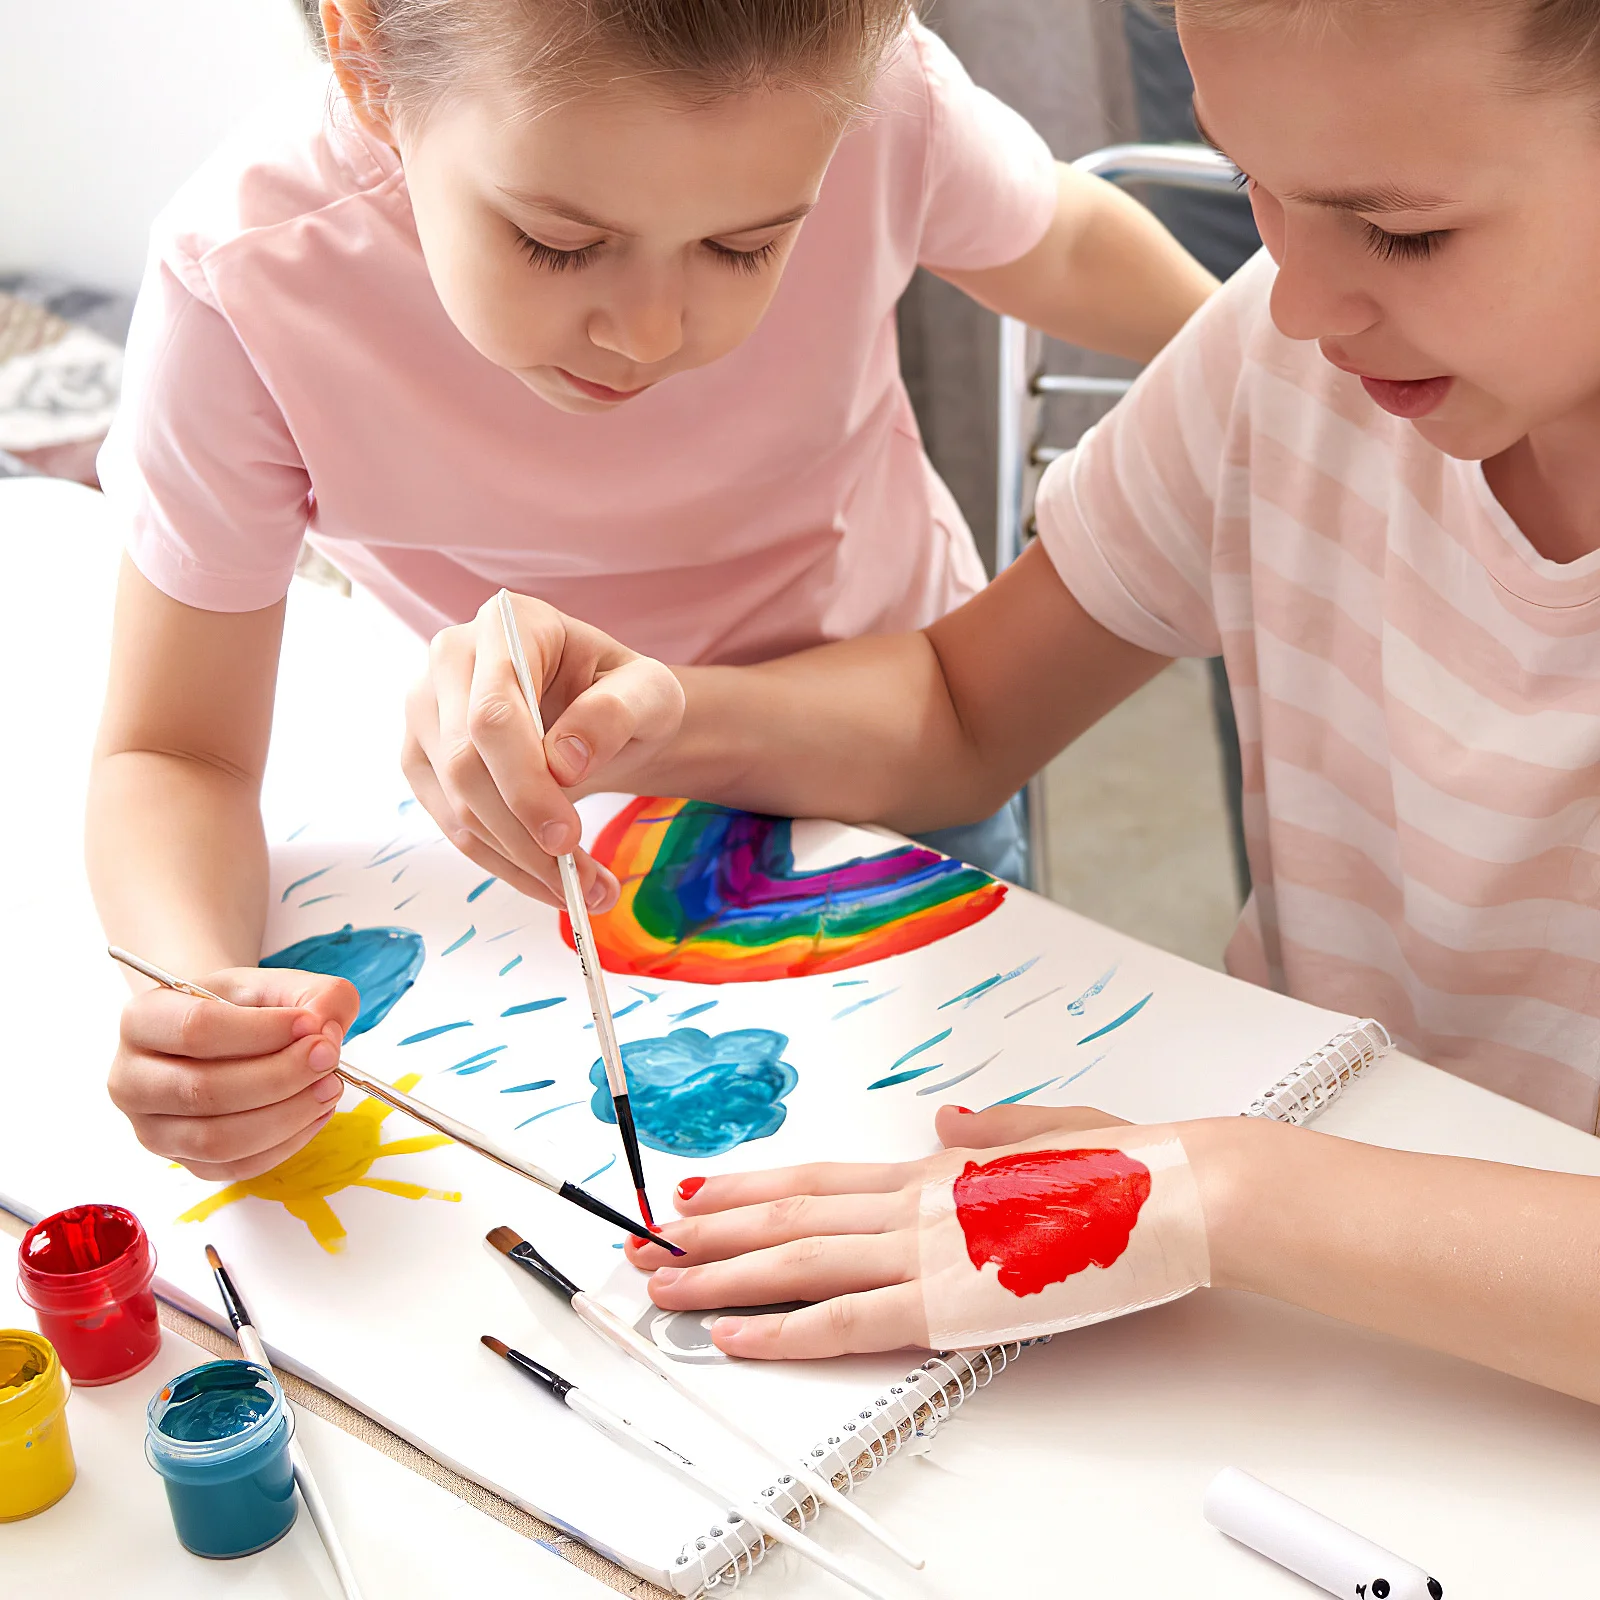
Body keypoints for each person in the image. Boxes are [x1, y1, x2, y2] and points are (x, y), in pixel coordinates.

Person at [399, 0, 1600, 1397]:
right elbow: (967, 709)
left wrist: (1226, 1194)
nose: (1297, 298)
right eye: (1255, 186)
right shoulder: (1283, 364)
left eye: (1402, 232)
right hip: (1314, 1322)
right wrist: (656, 711)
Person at [89, 0, 1214, 1184]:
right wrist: (193, 1001)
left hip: (900, 765)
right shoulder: (244, 282)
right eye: (559, 244)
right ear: (367, 61)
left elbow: (1067, 243)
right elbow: (174, 751)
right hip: (562, 840)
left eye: (746, 246)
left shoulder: (876, 96)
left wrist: (1284, 374)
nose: (650, 332)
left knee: (933, 1157)